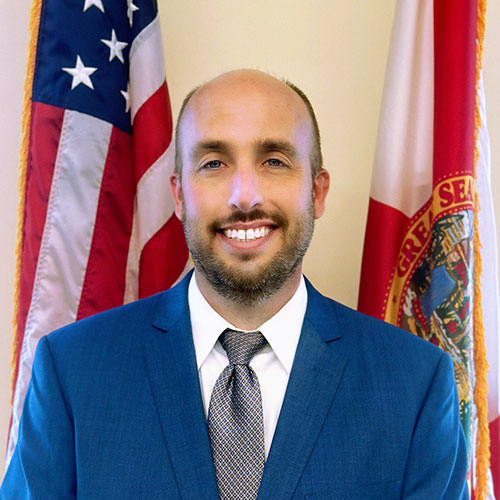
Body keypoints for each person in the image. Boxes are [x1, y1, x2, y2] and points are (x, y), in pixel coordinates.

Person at [1, 69, 468, 500]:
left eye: (275, 160)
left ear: (317, 191)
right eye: (213, 163)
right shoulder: (72, 371)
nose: (245, 196)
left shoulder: (415, 384)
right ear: (179, 194)